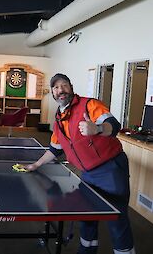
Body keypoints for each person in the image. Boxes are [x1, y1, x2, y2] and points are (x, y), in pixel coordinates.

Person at [26, 73, 135, 254]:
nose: (61, 90)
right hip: (87, 173)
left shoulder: (89, 105)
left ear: (71, 87)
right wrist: (36, 165)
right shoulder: (59, 118)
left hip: (110, 169)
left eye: (64, 85)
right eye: (56, 87)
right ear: (53, 93)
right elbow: (55, 149)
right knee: (87, 216)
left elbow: (113, 125)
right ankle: (86, 251)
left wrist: (98, 128)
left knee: (116, 218)